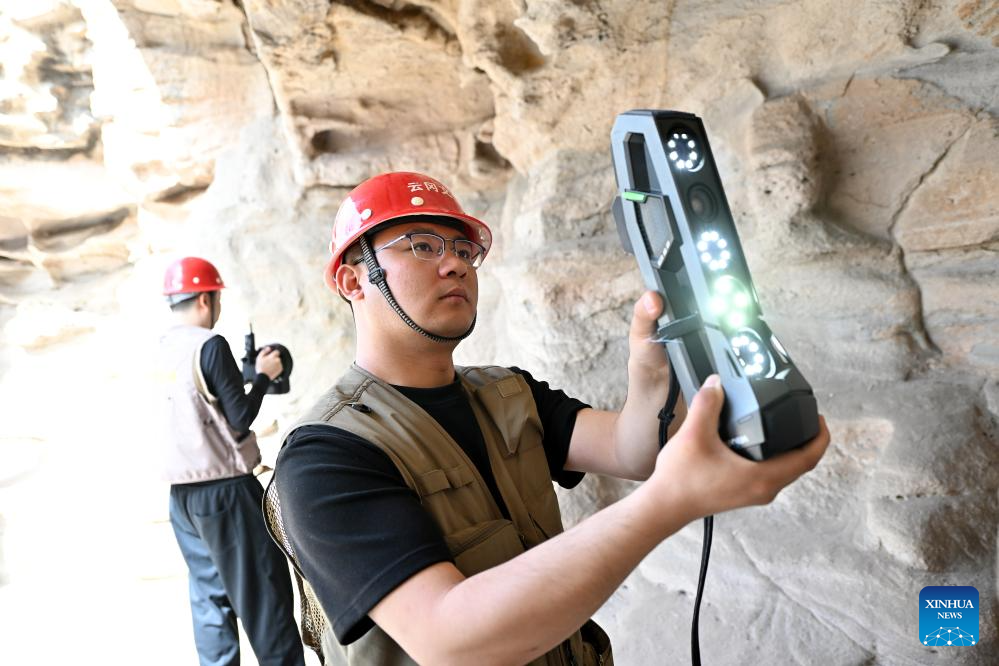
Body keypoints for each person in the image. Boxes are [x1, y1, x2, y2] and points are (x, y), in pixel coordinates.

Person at [268, 172, 830, 665]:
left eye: (464, 249)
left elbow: (633, 450)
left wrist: (652, 370)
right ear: (353, 281)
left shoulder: (506, 392)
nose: (454, 263)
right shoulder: (326, 455)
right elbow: (450, 640)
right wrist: (670, 501)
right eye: (421, 245)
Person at [158, 256, 306, 666]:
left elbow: (202, 400)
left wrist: (243, 376)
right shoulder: (210, 344)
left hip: (183, 499)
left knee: (210, 605)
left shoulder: (164, 348)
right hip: (227, 494)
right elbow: (239, 418)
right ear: (206, 299)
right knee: (265, 601)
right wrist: (263, 375)